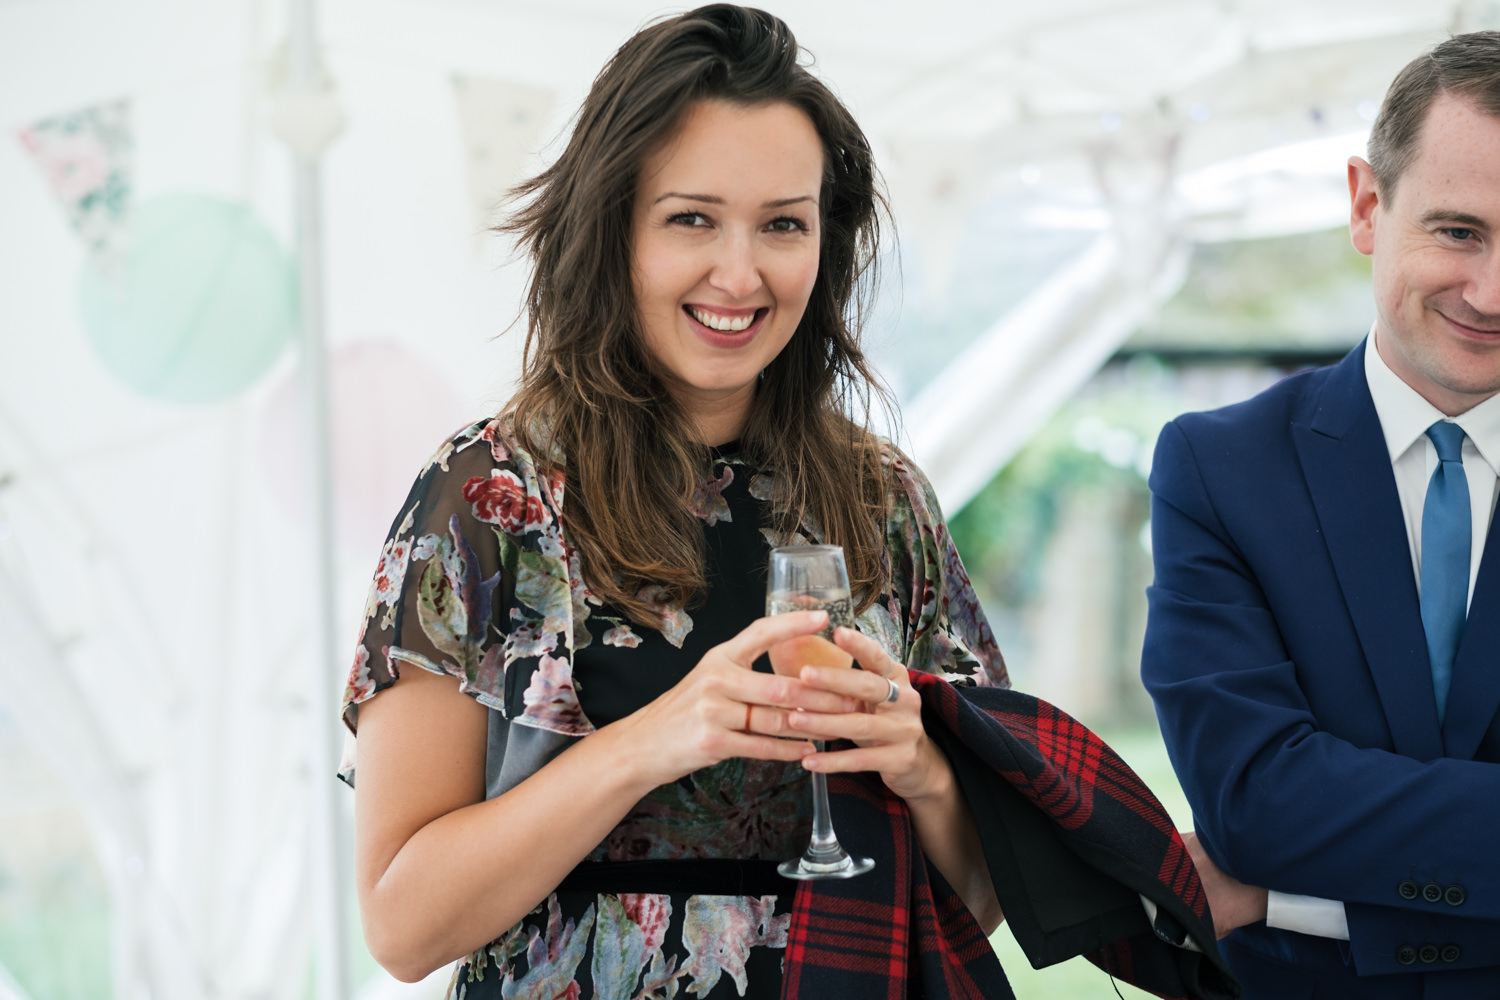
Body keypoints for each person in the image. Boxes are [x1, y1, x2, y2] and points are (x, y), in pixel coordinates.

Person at [340, 7, 1231, 999]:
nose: (742, 271)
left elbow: (973, 904)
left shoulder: (883, 499)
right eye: (692, 218)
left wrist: (923, 771)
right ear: (612, 228)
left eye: (783, 224)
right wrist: (657, 737)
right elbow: (402, 924)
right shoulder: (491, 497)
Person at [1142, 30, 1500, 999]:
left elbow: (1269, 847)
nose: (1491, 292)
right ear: (1367, 206)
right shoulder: (1218, 469)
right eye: (1460, 232)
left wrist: (1286, 896)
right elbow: (1252, 805)